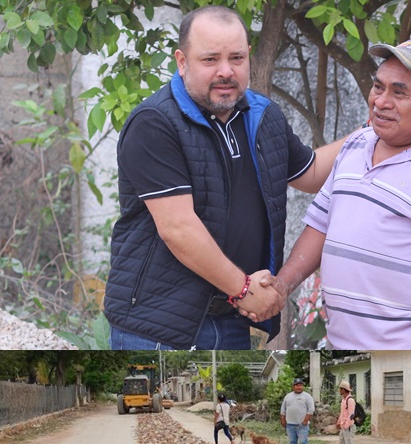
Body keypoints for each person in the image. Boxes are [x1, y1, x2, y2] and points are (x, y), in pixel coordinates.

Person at [104, 6, 346, 350]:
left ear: (248, 57)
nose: (225, 71)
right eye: (210, 60)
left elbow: (310, 173)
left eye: (236, 58)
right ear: (182, 61)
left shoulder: (264, 116)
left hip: (231, 320)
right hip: (158, 327)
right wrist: (246, 290)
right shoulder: (155, 123)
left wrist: (371, 135)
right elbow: (178, 229)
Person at [260, 37, 411, 349]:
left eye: (399, 92)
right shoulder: (357, 144)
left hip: (407, 349)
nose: (381, 101)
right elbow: (320, 225)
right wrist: (283, 285)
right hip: (339, 345)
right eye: (378, 87)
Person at [280, 378, 315, 444]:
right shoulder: (288, 396)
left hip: (302, 425)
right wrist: (283, 420)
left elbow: (311, 410)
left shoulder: (307, 396)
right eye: (297, 385)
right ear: (293, 386)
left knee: (303, 442)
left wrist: (305, 421)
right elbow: (283, 409)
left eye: (300, 385)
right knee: (292, 442)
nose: (299, 387)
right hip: (290, 424)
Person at [336, 380, 355, 444]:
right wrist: (339, 422)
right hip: (343, 426)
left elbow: (351, 415)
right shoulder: (343, 400)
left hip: (348, 427)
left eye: (340, 389)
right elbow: (342, 413)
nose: (339, 390)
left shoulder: (350, 400)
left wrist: (346, 425)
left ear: (343, 389)